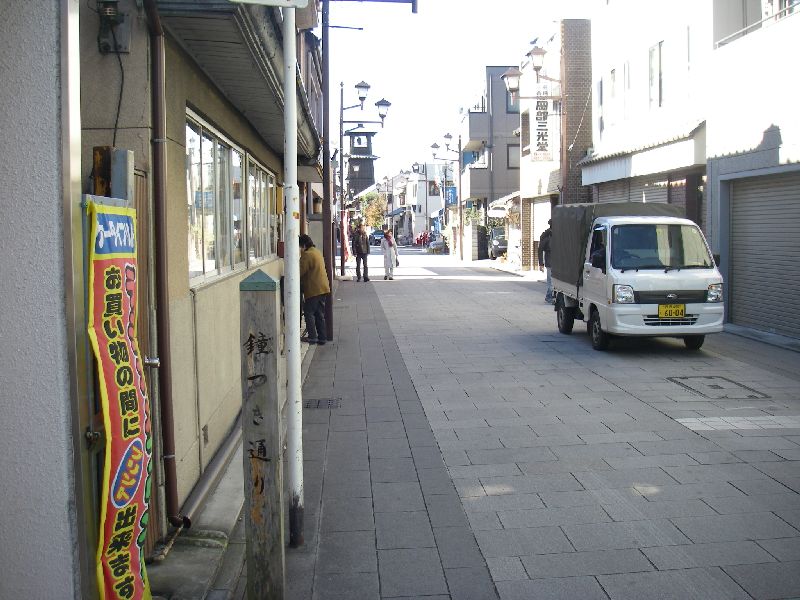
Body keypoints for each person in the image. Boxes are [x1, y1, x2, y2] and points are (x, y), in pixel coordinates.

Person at [299, 234, 330, 345]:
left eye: (300, 246)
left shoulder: (307, 255)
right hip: (323, 288)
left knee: (309, 312)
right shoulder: (316, 252)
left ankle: (312, 337)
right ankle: (322, 338)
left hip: (314, 289)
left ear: (303, 245)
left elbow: (299, 271)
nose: (299, 249)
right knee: (319, 314)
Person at [538, 220, 553, 303]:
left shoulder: (558, 235)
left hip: (557, 262)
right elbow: (540, 250)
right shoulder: (547, 237)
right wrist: (541, 264)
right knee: (550, 281)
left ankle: (551, 296)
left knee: (553, 281)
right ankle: (549, 296)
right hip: (550, 261)